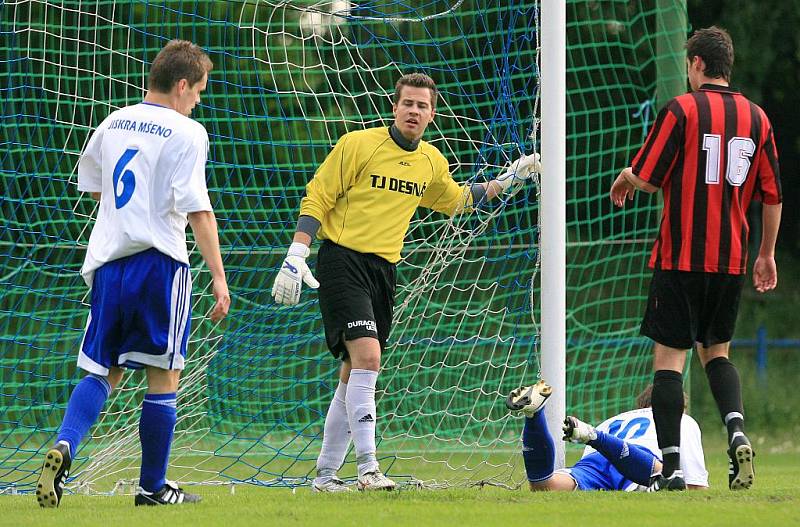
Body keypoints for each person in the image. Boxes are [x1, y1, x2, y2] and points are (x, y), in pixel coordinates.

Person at [271, 73, 540, 492]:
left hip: (384, 273)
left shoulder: (432, 161)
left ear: (432, 114)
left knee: (352, 371)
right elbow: (318, 196)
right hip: (342, 260)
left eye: (422, 106)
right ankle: (368, 469)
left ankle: (325, 476)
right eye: (407, 103)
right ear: (394, 107)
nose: (414, 111)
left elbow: (456, 200)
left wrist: (509, 179)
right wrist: (297, 252)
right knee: (368, 359)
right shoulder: (358, 145)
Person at [35, 40, 230, 508]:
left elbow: (97, 187)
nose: (199, 100)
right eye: (198, 90)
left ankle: (65, 443)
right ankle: (152, 489)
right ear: (182, 85)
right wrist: (219, 279)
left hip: (107, 263)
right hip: (158, 264)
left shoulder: (114, 120)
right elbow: (198, 210)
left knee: (103, 369)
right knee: (165, 376)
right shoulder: (188, 132)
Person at [609, 26, 782, 491]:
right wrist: (764, 254)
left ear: (698, 64)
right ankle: (737, 430)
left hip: (680, 257)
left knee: (669, 362)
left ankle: (673, 467)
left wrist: (627, 175)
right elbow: (773, 196)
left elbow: (647, 176)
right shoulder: (757, 118)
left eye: (689, 65)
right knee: (718, 355)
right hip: (729, 263)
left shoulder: (681, 109)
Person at [506, 380, 708, 492]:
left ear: (641, 404)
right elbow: (694, 485)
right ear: (678, 407)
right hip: (641, 461)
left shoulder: (615, 419)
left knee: (545, 485)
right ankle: (595, 437)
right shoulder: (682, 420)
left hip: (597, 460)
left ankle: (534, 415)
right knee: (670, 476)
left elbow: (592, 464)